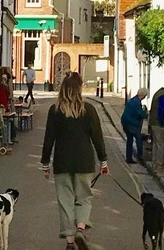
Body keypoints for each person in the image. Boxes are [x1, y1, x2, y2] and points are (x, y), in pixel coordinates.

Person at [41, 72, 109, 249]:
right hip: (84, 162)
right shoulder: (89, 109)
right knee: (84, 198)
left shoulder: (55, 110)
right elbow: (97, 138)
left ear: (63, 89)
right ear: (79, 89)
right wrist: (103, 161)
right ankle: (80, 229)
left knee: (65, 201)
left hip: (62, 163)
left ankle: (70, 242)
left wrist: (45, 164)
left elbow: (49, 140)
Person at [121, 88, 150, 163]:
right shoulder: (136, 102)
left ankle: (129, 158)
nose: (145, 97)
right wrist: (146, 114)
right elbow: (140, 114)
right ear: (142, 94)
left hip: (126, 122)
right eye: (145, 95)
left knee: (130, 140)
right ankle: (140, 156)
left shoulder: (132, 100)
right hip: (132, 123)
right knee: (139, 139)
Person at [148, 84, 164, 166]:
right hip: (158, 123)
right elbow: (161, 110)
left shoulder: (158, 93)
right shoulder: (163, 96)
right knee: (161, 144)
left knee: (155, 143)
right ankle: (160, 163)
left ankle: (154, 161)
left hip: (153, 122)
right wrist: (163, 123)